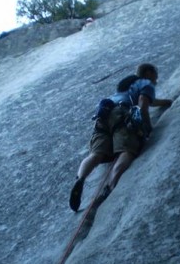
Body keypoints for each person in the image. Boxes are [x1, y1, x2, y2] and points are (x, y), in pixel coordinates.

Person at [69, 63, 172, 211]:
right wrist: (148, 128)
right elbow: (143, 103)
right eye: (155, 76)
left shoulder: (126, 86)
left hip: (103, 114)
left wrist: (167, 102)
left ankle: (80, 179)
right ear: (148, 73)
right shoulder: (146, 83)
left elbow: (151, 102)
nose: (156, 81)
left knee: (96, 154)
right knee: (126, 151)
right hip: (122, 114)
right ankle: (111, 187)